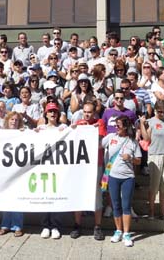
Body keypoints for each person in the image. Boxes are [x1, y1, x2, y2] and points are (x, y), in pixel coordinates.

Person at [102, 115, 141, 247]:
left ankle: (127, 233)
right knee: (115, 205)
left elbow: (139, 160)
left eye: (118, 125)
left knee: (126, 206)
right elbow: (97, 144)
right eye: (115, 125)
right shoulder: (111, 137)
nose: (116, 127)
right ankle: (118, 230)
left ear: (125, 126)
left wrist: (130, 158)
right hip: (113, 176)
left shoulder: (132, 142)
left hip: (128, 178)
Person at [70, 102, 106, 241]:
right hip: (81, 165)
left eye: (89, 112)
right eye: (85, 112)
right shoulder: (79, 123)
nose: (86, 114)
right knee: (78, 194)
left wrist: (91, 129)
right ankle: (77, 225)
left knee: (97, 195)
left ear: (94, 113)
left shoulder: (100, 122)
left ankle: (97, 226)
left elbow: (100, 144)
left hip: (96, 164)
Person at [139, 100, 164, 221]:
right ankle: (151, 211)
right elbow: (146, 138)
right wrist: (142, 124)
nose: (161, 113)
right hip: (155, 155)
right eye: (159, 111)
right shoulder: (151, 122)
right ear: (155, 110)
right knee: (154, 185)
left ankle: (162, 211)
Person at [38, 103, 67, 239]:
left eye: (55, 111)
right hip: (44, 168)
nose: (52, 113)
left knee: (56, 196)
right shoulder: (41, 129)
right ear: (46, 114)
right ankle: (45, 225)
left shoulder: (63, 128)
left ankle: (55, 226)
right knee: (44, 197)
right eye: (50, 111)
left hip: (58, 168)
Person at [0, 112, 25, 237]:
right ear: (7, 121)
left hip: (19, 171)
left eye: (16, 120)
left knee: (18, 198)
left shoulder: (24, 133)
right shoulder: (1, 134)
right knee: (6, 198)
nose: (14, 122)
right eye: (12, 119)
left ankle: (17, 226)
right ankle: (5, 225)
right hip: (5, 171)